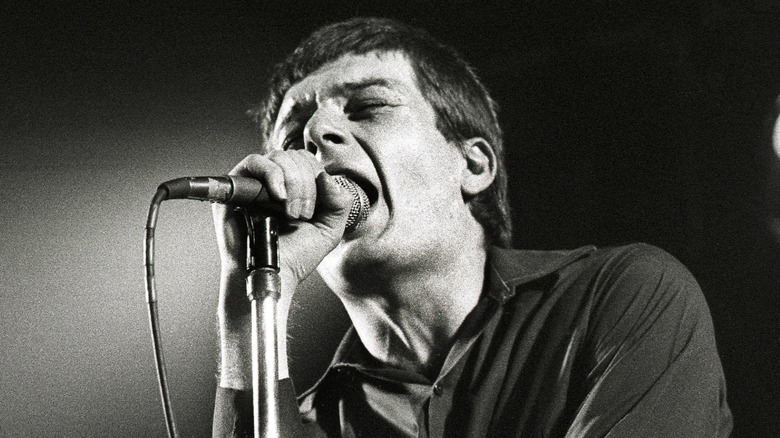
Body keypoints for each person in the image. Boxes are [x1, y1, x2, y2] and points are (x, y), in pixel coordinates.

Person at [211, 17, 732, 437]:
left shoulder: (619, 296)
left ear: (473, 165)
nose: (317, 134)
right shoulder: (297, 425)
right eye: (294, 133)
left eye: (369, 107)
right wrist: (249, 292)